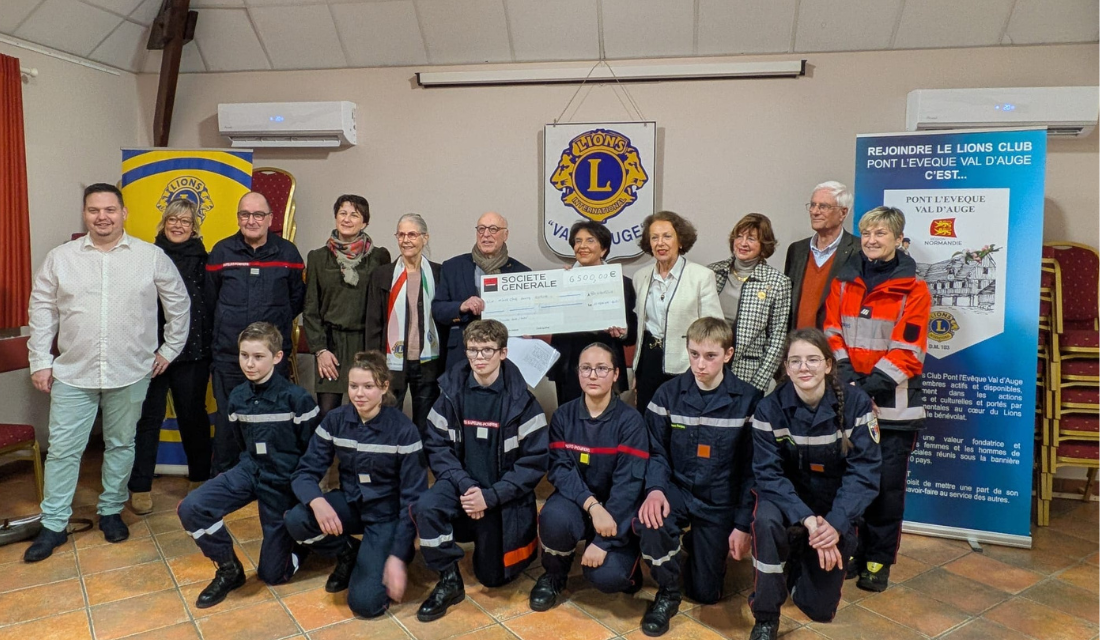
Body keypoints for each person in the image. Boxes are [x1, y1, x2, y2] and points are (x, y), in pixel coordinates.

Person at [23, 184, 189, 562]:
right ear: (84, 214)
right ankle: (53, 525)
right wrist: (40, 362)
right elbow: (42, 310)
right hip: (72, 373)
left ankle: (111, 510)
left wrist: (168, 351)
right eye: (94, 210)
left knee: (121, 444)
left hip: (130, 372)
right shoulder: (60, 258)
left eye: (110, 210)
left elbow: (179, 306)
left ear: (124, 213)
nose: (103, 217)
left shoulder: (151, 257)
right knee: (64, 451)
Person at [747, 328, 881, 640]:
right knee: (765, 522)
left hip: (834, 504)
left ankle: (798, 557)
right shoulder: (769, 409)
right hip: (786, 500)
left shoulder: (857, 405)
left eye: (812, 360)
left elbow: (864, 474)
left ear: (828, 365)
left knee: (818, 609)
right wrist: (806, 519)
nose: (803, 368)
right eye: (795, 361)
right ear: (786, 367)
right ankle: (765, 615)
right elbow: (768, 475)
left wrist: (834, 524)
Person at [412, 319, 548, 622]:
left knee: (493, 579)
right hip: (461, 485)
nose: (479, 358)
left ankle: (488, 544)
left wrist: (490, 496)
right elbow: (436, 446)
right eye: (473, 350)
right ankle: (449, 578)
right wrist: (465, 486)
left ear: (503, 353)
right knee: (426, 507)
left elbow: (533, 463)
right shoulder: (450, 392)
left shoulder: (522, 401)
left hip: (500, 493)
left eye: (487, 350)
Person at [177, 322, 320, 608]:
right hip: (250, 470)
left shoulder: (298, 399)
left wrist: (305, 494)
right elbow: (241, 445)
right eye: (244, 356)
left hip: (283, 481)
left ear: (277, 358)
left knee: (273, 575)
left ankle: (301, 545)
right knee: (192, 508)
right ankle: (229, 570)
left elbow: (313, 454)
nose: (249, 364)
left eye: (258, 357)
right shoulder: (237, 398)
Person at [824, 206, 930, 593]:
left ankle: (877, 558)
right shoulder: (842, 282)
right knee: (850, 483)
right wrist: (847, 380)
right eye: (867, 233)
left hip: (894, 409)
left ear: (899, 240)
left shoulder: (915, 290)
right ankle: (852, 549)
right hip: (849, 402)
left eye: (880, 234)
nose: (871, 240)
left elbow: (909, 349)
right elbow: (832, 332)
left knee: (886, 488)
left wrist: (865, 388)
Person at [635, 317, 761, 636]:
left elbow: (752, 470)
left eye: (710, 356)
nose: (700, 364)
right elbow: (656, 452)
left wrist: (742, 524)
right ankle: (667, 592)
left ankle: (697, 543)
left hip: (719, 499)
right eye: (693, 354)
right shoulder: (667, 395)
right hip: (676, 489)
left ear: (728, 354)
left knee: (706, 594)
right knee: (651, 523)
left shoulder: (749, 401)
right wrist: (655, 491)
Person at [284, 351, 428, 618]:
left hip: (386, 517)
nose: (359, 393)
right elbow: (304, 472)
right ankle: (348, 551)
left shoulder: (404, 430)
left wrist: (396, 556)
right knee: (297, 519)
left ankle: (394, 553)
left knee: (365, 604)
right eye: (353, 386)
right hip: (350, 504)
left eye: (368, 386)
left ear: (384, 387)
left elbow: (413, 500)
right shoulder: (335, 420)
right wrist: (317, 502)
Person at [529, 342, 649, 611]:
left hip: (617, 510)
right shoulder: (563, 416)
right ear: (578, 373)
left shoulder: (631, 422)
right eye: (586, 368)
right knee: (553, 516)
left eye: (602, 368)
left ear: (616, 374)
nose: (593, 375)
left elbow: (629, 486)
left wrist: (604, 541)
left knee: (608, 578)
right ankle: (554, 575)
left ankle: (627, 565)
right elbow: (560, 469)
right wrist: (592, 505)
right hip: (581, 502)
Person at [206, 191, 306, 473]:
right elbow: (210, 300)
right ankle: (224, 477)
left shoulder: (288, 254)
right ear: (238, 218)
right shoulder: (221, 252)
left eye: (258, 215)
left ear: (270, 219)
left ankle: (271, 475)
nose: (251, 220)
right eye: (245, 215)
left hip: (271, 357)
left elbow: (297, 300)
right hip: (229, 355)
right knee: (228, 421)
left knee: (272, 418)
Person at [129, 199, 214, 515]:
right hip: (150, 351)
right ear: (163, 223)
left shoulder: (205, 261)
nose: (178, 225)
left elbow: (209, 307)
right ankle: (139, 486)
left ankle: (200, 479)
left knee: (192, 416)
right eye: (173, 220)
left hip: (192, 351)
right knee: (147, 418)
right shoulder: (146, 258)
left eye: (186, 221)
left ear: (194, 227)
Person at [303, 195, 391, 419]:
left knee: (364, 411)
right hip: (331, 346)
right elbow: (311, 308)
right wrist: (320, 350)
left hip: (365, 343)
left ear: (365, 222)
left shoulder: (379, 257)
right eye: (343, 213)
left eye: (355, 214)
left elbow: (384, 306)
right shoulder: (317, 258)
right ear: (335, 217)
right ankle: (329, 455)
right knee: (328, 412)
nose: (347, 219)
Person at [632, 211, 722, 414]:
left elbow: (714, 327)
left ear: (680, 240)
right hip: (648, 361)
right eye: (654, 237)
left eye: (667, 236)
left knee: (681, 421)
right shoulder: (641, 277)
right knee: (648, 418)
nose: (660, 243)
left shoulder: (701, 276)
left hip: (685, 362)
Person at [365, 213, 442, 435]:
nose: (406, 240)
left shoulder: (438, 273)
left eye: (412, 234)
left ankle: (418, 465)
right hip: (392, 363)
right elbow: (373, 322)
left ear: (425, 238)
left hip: (428, 361)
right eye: (401, 234)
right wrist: (373, 362)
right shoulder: (382, 275)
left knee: (425, 423)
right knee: (389, 420)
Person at [549, 221, 637, 404]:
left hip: (607, 364)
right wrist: (561, 285)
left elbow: (632, 333)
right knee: (569, 421)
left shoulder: (623, 284)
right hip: (569, 366)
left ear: (603, 249)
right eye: (578, 241)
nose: (582, 246)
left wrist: (622, 332)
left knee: (605, 424)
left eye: (590, 240)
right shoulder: (559, 281)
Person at [432, 212, 530, 369]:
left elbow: (530, 314)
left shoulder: (522, 273)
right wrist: (461, 306)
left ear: (506, 234)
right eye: (481, 229)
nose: (486, 235)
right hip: (461, 355)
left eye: (493, 229)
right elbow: (438, 309)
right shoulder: (453, 267)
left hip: (505, 354)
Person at [707, 214, 792, 392]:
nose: (743, 243)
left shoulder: (777, 283)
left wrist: (757, 385)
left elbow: (777, 340)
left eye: (751, 239)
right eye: (739, 236)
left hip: (748, 374)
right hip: (709, 368)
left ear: (764, 246)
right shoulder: (711, 273)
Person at [784, 182, 860, 331]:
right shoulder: (796, 251)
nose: (814, 211)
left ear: (843, 213)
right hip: (796, 346)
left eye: (823, 206)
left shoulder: (859, 252)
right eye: (813, 205)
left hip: (835, 347)